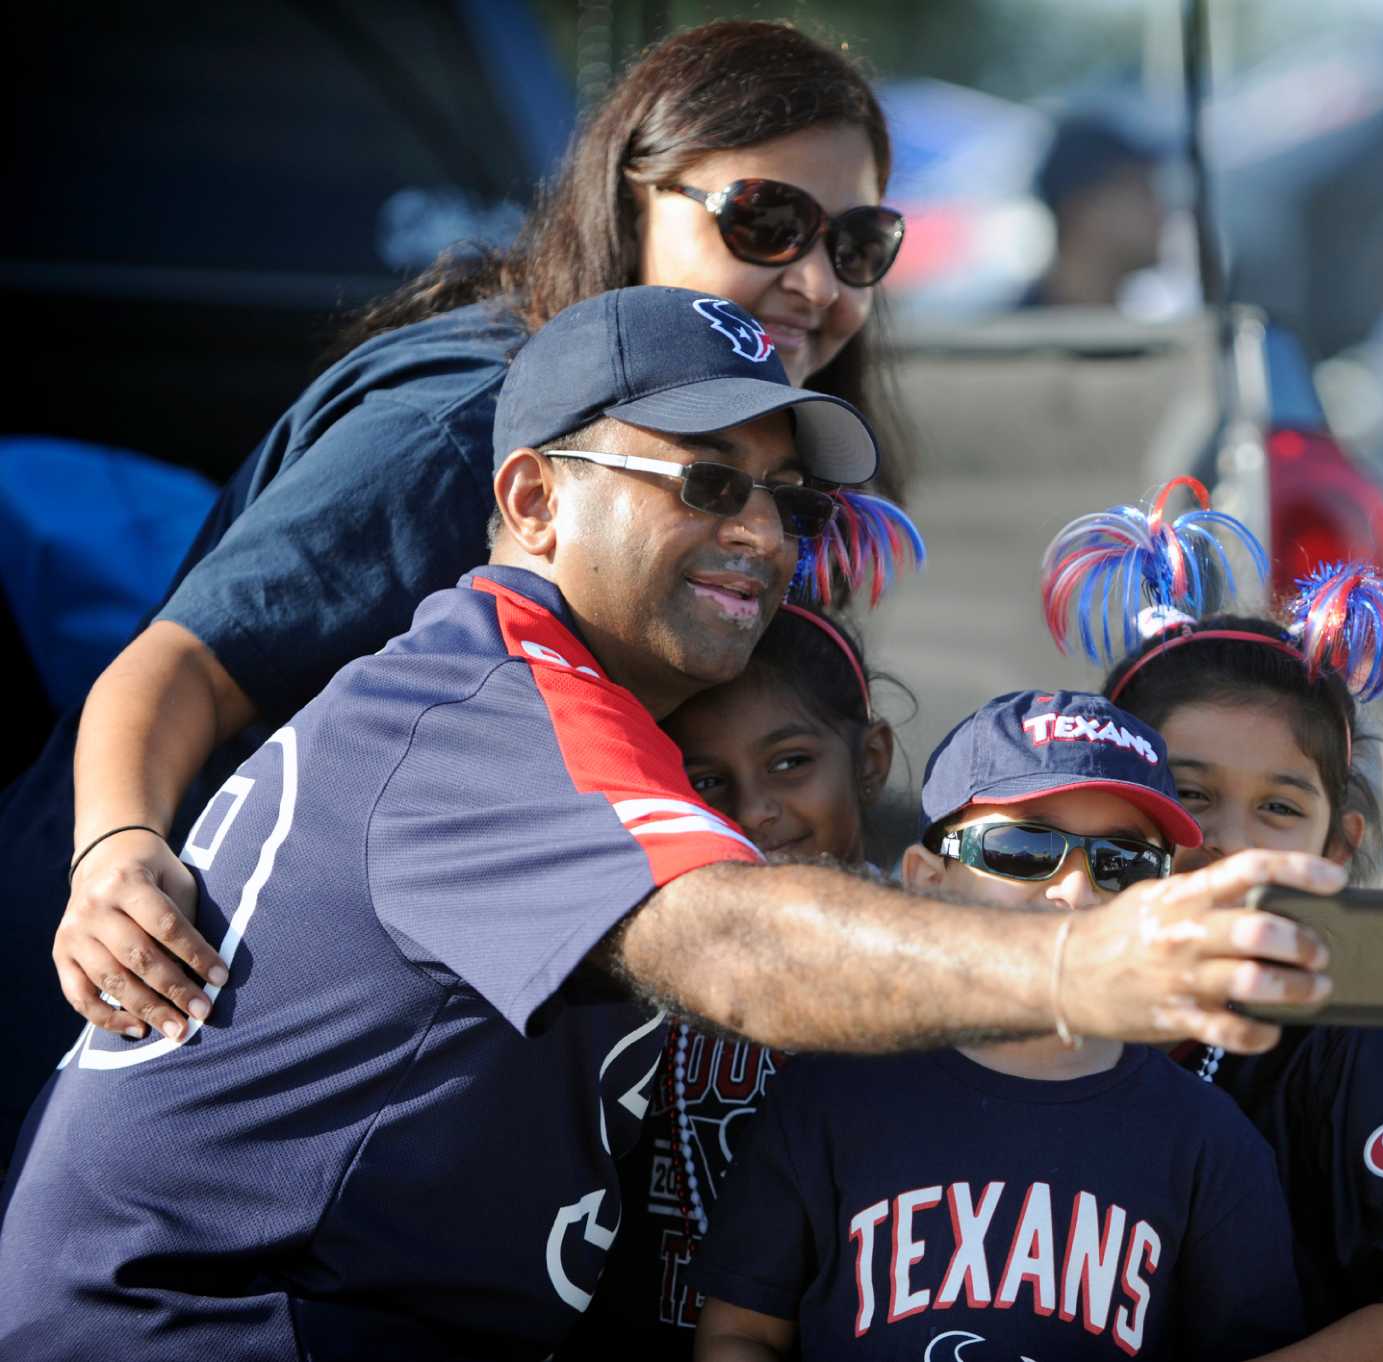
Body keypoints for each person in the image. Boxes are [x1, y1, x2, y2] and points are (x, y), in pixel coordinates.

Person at [0, 287, 1339, 1359]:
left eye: (785, 498)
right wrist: (1076, 964)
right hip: (223, 1321)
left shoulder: (571, 709)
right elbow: (731, 945)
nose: (758, 527)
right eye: (706, 481)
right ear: (531, 501)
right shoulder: (497, 705)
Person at [12, 18, 909, 1164]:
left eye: (858, 243)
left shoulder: (777, 477)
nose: (811, 279)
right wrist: (117, 854)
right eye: (766, 221)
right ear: (633, 197)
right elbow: (179, 664)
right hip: (146, 1017)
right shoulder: (463, 423)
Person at [691, 689, 1306, 1361]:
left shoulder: (1212, 1143)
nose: (1074, 890)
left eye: (1123, 863)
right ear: (928, 881)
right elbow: (742, 1333)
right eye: (1022, 847)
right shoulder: (825, 1095)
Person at [1044, 481, 1383, 1360]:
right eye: (1190, 793)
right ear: (1111, 809)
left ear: (1335, 849)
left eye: (1279, 808)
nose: (1229, 843)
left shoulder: (1368, 1023)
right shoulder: (1034, 987)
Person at [564, 537, 916, 1351]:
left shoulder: (923, 953)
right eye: (708, 782)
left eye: (791, 763)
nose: (755, 811)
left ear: (870, 761)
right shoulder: (639, 943)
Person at [1018, 110, 1167, 309]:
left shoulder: (1132, 327)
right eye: (1142, 192)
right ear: (1085, 209)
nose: (1159, 212)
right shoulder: (1010, 335)